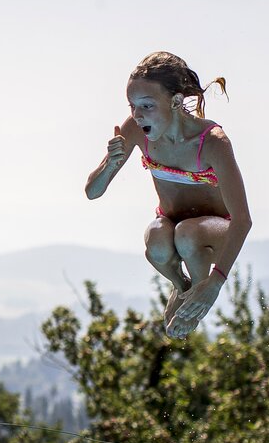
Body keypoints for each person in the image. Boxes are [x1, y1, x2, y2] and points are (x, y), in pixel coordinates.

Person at [85, 51, 252, 337]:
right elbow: (92, 192)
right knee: (157, 239)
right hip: (172, 225)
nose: (137, 115)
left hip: (215, 233)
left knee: (187, 233)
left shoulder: (212, 143)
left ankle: (198, 292)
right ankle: (182, 286)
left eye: (147, 106)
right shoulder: (136, 129)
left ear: (175, 102)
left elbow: (243, 220)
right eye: (132, 106)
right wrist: (108, 165)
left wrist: (215, 283)